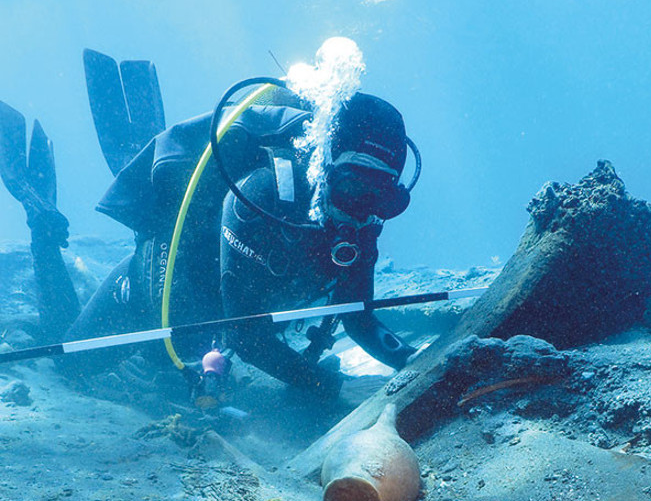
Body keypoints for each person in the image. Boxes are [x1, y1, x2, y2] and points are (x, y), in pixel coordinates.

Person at [0, 53, 419, 405]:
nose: (361, 210)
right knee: (71, 362)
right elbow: (248, 336)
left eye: (382, 198)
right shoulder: (261, 195)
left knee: (168, 363)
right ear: (324, 169)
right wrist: (323, 383)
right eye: (352, 187)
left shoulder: (361, 227)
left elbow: (358, 320)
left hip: (211, 331)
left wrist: (417, 361)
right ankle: (43, 230)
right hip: (154, 296)